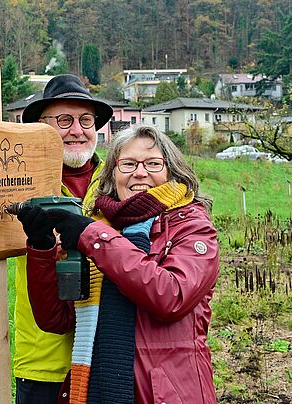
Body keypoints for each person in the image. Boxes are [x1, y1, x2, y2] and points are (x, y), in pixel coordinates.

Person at [18, 125, 219, 403]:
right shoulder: (99, 226)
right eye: (127, 164)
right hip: (94, 390)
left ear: (171, 171)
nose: (139, 172)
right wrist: (42, 247)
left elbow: (171, 295)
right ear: (113, 173)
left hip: (164, 393)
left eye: (153, 163)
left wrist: (95, 238)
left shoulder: (193, 227)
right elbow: (57, 319)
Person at [0, 74, 114, 403]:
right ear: (41, 127)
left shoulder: (117, 181)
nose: (77, 130)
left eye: (86, 120)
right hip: (44, 359)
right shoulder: (17, 181)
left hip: (108, 353)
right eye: (64, 120)